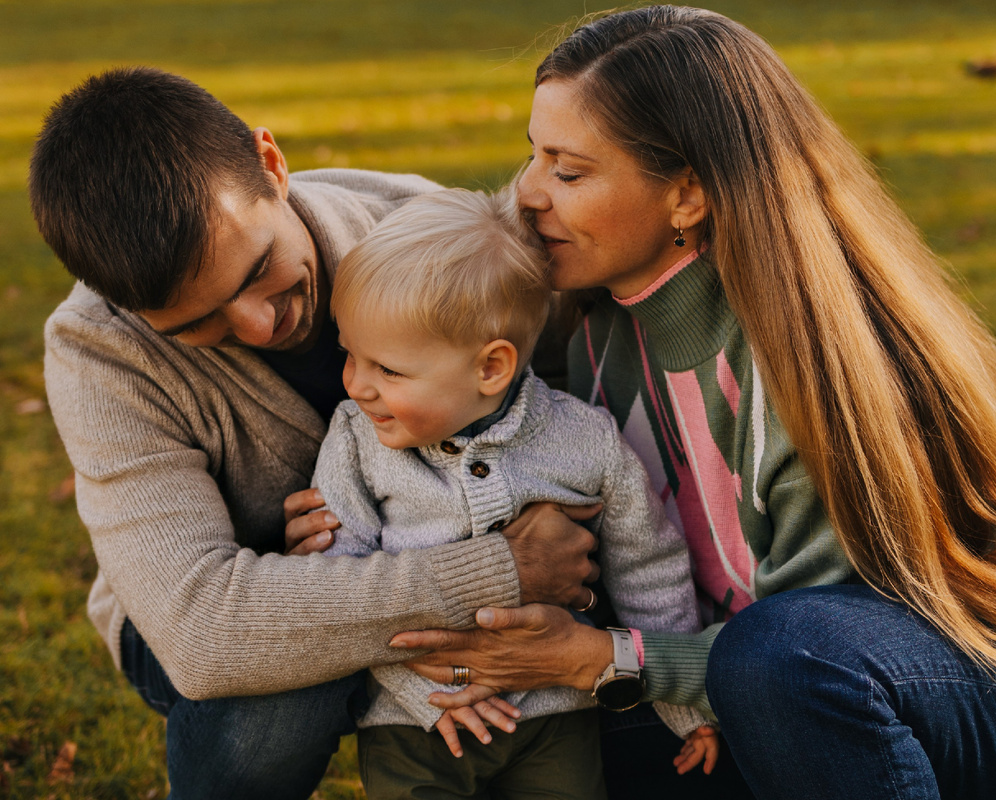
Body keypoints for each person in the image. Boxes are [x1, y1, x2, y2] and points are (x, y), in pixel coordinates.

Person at [386, 7, 996, 799]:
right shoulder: (589, 321)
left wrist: (600, 657)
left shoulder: (812, 361)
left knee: (776, 658)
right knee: (589, 729)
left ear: (687, 198)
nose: (529, 193)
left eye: (569, 172)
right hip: (786, 686)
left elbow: (827, 637)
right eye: (532, 155)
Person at [29, 66, 601, 800]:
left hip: (448, 543)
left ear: (271, 166)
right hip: (219, 607)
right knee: (277, 696)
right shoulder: (100, 348)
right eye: (197, 326)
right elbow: (204, 633)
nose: (259, 325)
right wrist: (499, 573)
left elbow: (568, 428)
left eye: (257, 269)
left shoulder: (430, 231)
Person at [312, 186, 715, 799]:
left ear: (491, 368)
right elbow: (339, 589)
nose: (356, 386)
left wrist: (685, 705)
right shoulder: (354, 441)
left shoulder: (585, 443)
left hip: (554, 719)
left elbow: (649, 571)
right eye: (350, 355)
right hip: (418, 728)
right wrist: (424, 696)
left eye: (387, 370)